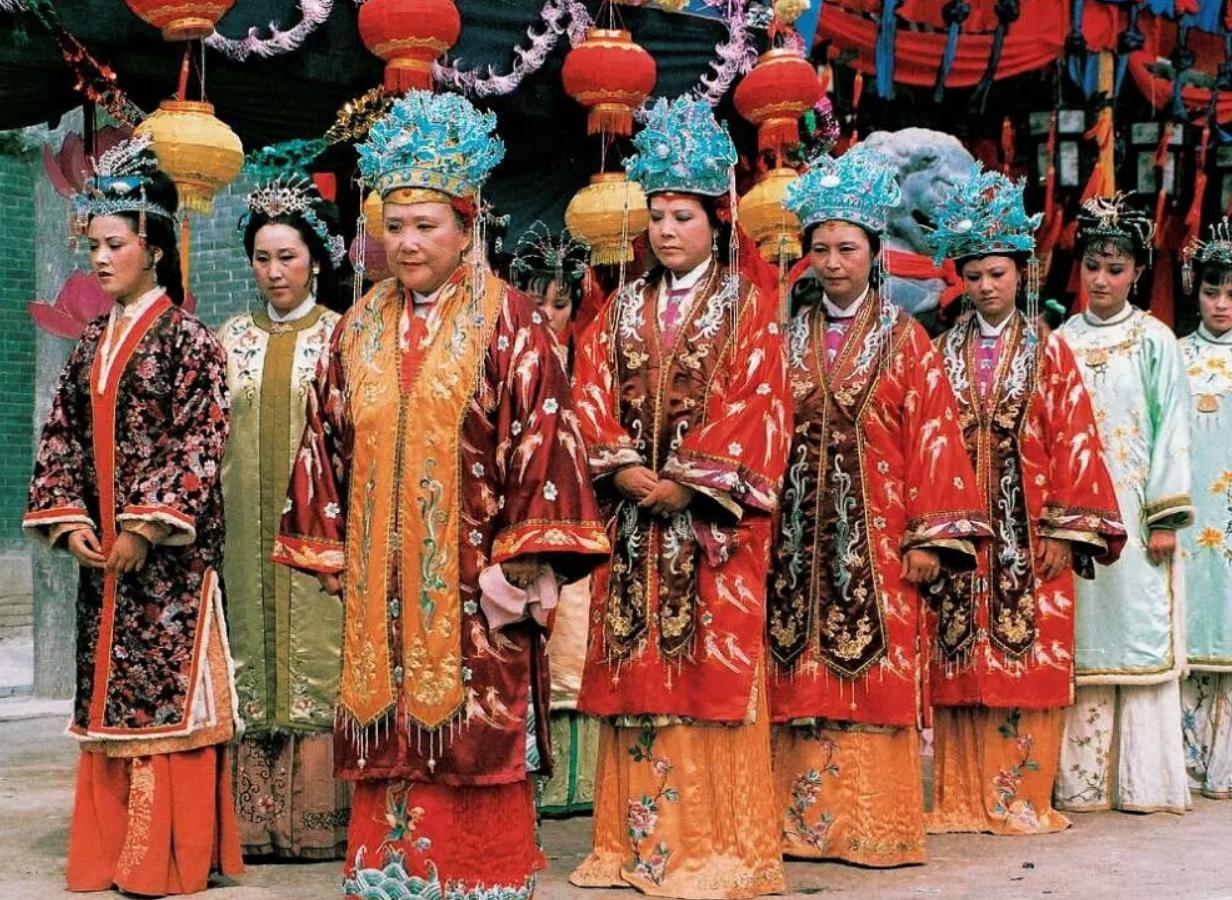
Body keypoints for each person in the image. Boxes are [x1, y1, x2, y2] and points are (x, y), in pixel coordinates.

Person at [270, 90, 609, 898]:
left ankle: (477, 879)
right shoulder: (356, 328)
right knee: (381, 726)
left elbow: (545, 437)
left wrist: (524, 559)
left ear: (466, 227)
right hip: (377, 591)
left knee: (475, 735)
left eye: (426, 226)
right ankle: (387, 877)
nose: (407, 242)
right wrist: (331, 550)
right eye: (394, 226)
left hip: (476, 586)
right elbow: (325, 440)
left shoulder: (511, 321)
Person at [569, 96, 791, 898]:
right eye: (658, 216)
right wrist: (623, 468)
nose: (666, 231)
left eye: (683, 217)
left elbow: (761, 403)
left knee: (709, 679)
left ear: (715, 221)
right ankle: (633, 848)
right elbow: (586, 389)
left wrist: (687, 482)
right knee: (636, 677)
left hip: (709, 533)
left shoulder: (748, 308)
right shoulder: (620, 307)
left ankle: (714, 849)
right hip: (633, 527)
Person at [24, 135, 242, 895]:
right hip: (103, 562)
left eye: (114, 244)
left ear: (154, 247)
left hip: (168, 565)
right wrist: (72, 522)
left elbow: (198, 443)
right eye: (93, 246)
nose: (100, 259)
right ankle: (110, 853)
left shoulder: (192, 342)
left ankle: (162, 859)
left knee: (164, 699)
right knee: (108, 698)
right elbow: (62, 437)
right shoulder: (92, 341)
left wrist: (145, 529)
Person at [766, 145, 991, 868]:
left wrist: (929, 537)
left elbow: (935, 438)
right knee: (794, 668)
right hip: (794, 541)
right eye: (822, 249)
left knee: (873, 669)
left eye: (848, 248)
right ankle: (798, 824)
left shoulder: (905, 339)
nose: (833, 263)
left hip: (881, 537)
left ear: (874, 251)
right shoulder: (783, 339)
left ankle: (872, 827)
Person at [925, 166, 1125, 835]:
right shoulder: (937, 352)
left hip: (1031, 529)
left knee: (1026, 654)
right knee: (958, 657)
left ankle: (1021, 798)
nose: (985, 286)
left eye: (997, 273)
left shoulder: (1051, 351)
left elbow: (1077, 439)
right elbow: (926, 442)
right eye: (973, 275)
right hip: (962, 533)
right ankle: (959, 798)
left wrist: (1067, 530)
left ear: (1022, 273)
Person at [218, 174, 349, 858]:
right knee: (249, 656)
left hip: (321, 534)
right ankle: (253, 826)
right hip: (242, 536)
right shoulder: (227, 341)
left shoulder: (343, 337)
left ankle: (316, 823)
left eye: (288, 257)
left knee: (321, 657)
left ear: (316, 260)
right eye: (263, 258)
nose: (275, 272)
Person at [1055, 194, 1194, 814]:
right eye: (1092, 266)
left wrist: (1164, 516)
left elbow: (1172, 431)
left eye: (1115, 269)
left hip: (1137, 515)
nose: (1102, 280)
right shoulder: (1061, 341)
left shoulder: (1155, 340)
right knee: (1083, 636)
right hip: (1075, 518)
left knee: (1139, 633)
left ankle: (1144, 784)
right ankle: (1080, 785)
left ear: (1137, 272)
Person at [509, 222, 598, 816]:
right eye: (535, 302)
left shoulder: (590, 362)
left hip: (579, 518)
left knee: (575, 639)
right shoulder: (505, 362)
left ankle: (577, 780)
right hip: (523, 519)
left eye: (559, 304)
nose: (545, 315)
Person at [1178, 220, 1232, 801]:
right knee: (1190, 633)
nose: (1221, 304)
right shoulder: (1173, 355)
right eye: (1212, 291)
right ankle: (1190, 761)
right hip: (1192, 514)